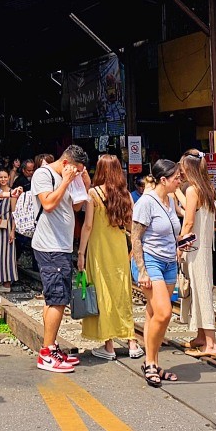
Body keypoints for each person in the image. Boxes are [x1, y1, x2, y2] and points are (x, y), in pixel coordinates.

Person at [30, 145, 90, 374]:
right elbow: (48, 204)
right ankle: (46, 353)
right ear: (66, 163)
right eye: (77, 169)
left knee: (53, 298)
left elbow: (76, 205)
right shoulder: (43, 174)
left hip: (62, 244)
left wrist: (82, 182)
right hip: (49, 245)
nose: (77, 173)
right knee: (58, 299)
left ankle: (51, 346)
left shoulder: (71, 175)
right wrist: (65, 181)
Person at [78, 154, 143, 361]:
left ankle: (109, 346)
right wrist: (134, 249)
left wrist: (81, 253)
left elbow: (88, 226)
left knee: (102, 293)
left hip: (99, 249)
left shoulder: (93, 194)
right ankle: (132, 343)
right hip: (119, 250)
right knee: (122, 293)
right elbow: (132, 225)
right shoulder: (126, 195)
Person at [134, 158, 188, 385]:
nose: (180, 181)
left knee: (153, 313)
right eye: (176, 178)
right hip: (152, 262)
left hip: (168, 263)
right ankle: (150, 362)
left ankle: (153, 360)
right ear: (163, 179)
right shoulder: (146, 202)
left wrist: (180, 243)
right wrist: (142, 271)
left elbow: (167, 231)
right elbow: (136, 237)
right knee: (164, 313)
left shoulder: (170, 200)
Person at [177, 151, 216, 359]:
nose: (181, 170)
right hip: (204, 248)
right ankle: (201, 336)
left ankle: (211, 343)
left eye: (182, 166)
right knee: (199, 290)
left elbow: (189, 221)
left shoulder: (193, 190)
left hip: (195, 249)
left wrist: (180, 244)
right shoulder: (207, 189)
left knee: (201, 291)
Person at [0, 166, 20, 289]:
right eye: (0, 177)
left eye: (5, 177)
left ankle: (7, 282)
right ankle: (1, 280)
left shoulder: (12, 193)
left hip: (7, 226)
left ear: (9, 178)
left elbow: (14, 213)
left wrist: (13, 231)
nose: (3, 179)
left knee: (7, 254)